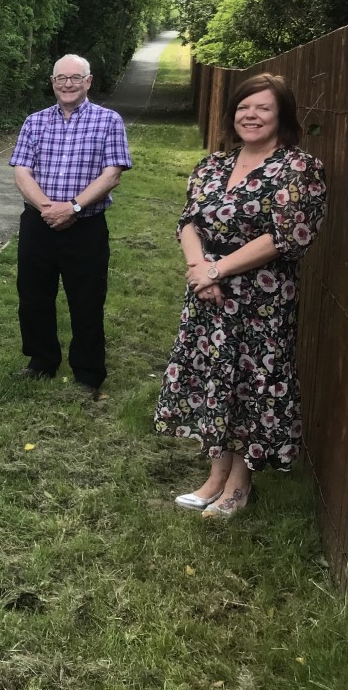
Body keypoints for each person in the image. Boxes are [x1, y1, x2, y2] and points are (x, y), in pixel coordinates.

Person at [155, 73, 326, 519]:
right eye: (244, 108)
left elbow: (288, 235)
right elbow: (188, 222)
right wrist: (200, 272)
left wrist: (218, 268)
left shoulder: (298, 168)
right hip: (207, 296)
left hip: (260, 302)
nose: (251, 115)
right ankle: (215, 475)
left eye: (263, 108)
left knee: (249, 385)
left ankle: (239, 485)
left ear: (282, 115)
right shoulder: (212, 165)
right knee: (215, 379)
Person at [9, 53, 132, 398]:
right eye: (60, 78)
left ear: (88, 82)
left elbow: (112, 174)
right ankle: (41, 361)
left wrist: (74, 207)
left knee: (87, 300)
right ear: (52, 83)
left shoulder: (108, 121)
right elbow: (22, 172)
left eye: (75, 78)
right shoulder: (34, 122)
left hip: (86, 227)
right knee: (33, 296)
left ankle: (88, 373)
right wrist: (49, 208)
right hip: (39, 223)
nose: (67, 84)